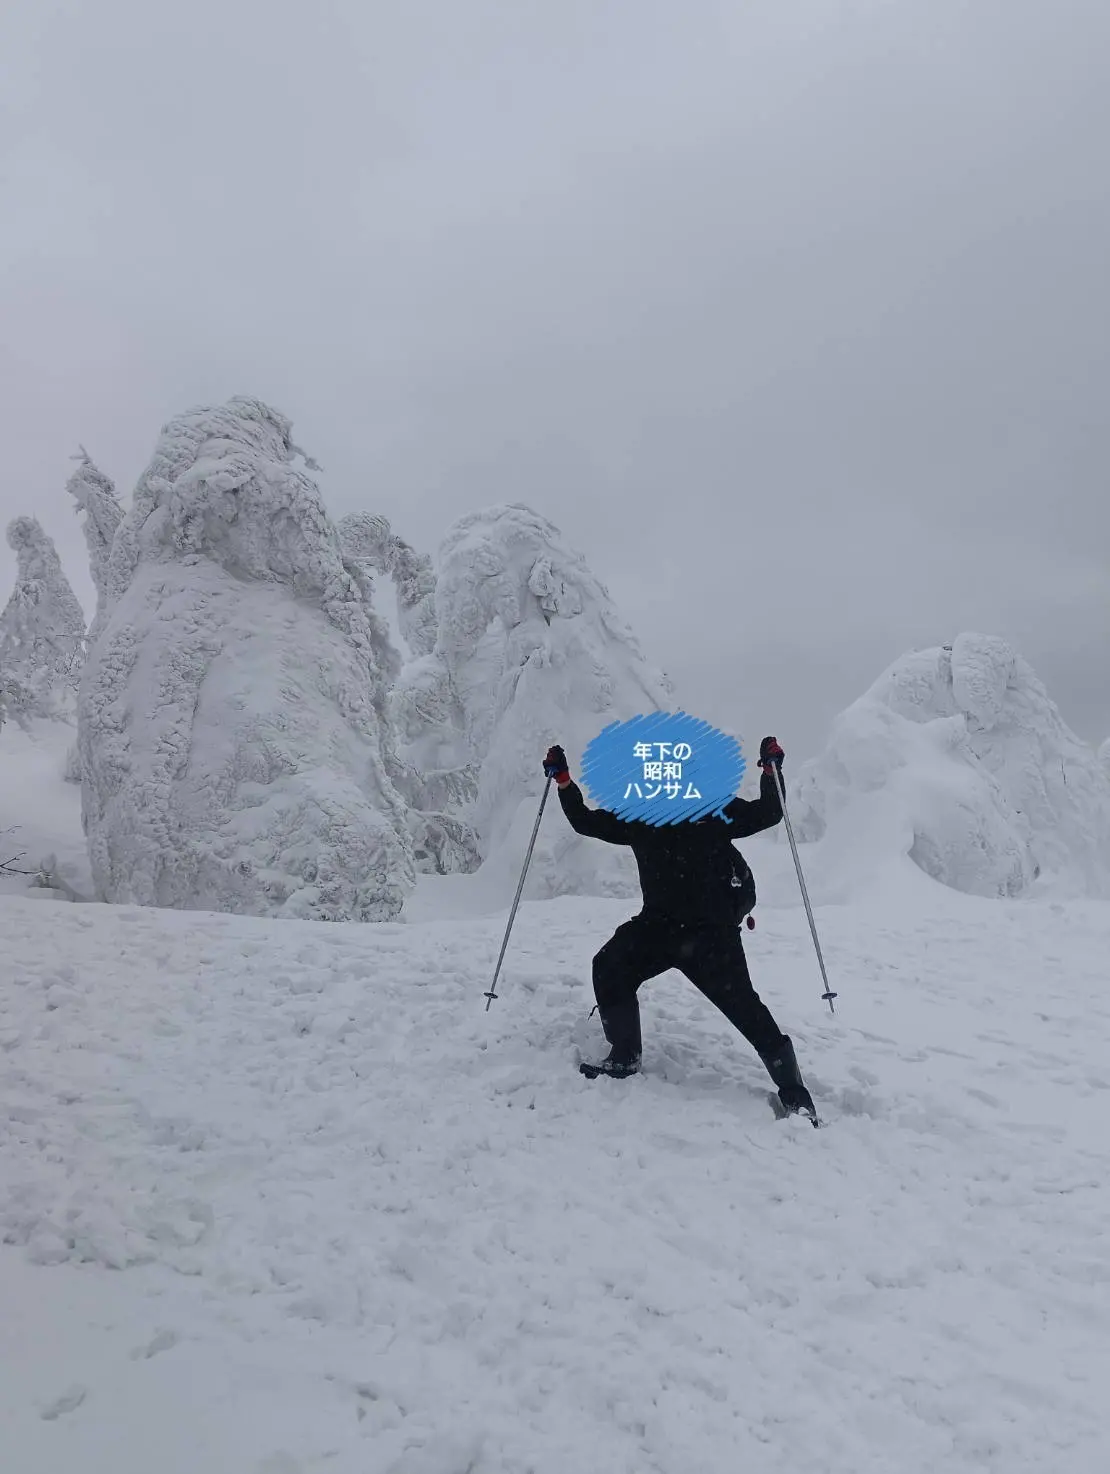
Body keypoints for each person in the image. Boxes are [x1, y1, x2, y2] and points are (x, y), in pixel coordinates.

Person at [542, 736, 817, 1120]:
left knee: (746, 1009)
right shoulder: (644, 813)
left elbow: (770, 812)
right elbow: (586, 821)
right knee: (609, 966)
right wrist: (565, 783)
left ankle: (794, 1093)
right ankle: (624, 1056)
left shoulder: (708, 808)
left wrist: (771, 771)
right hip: (659, 928)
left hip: (711, 935)